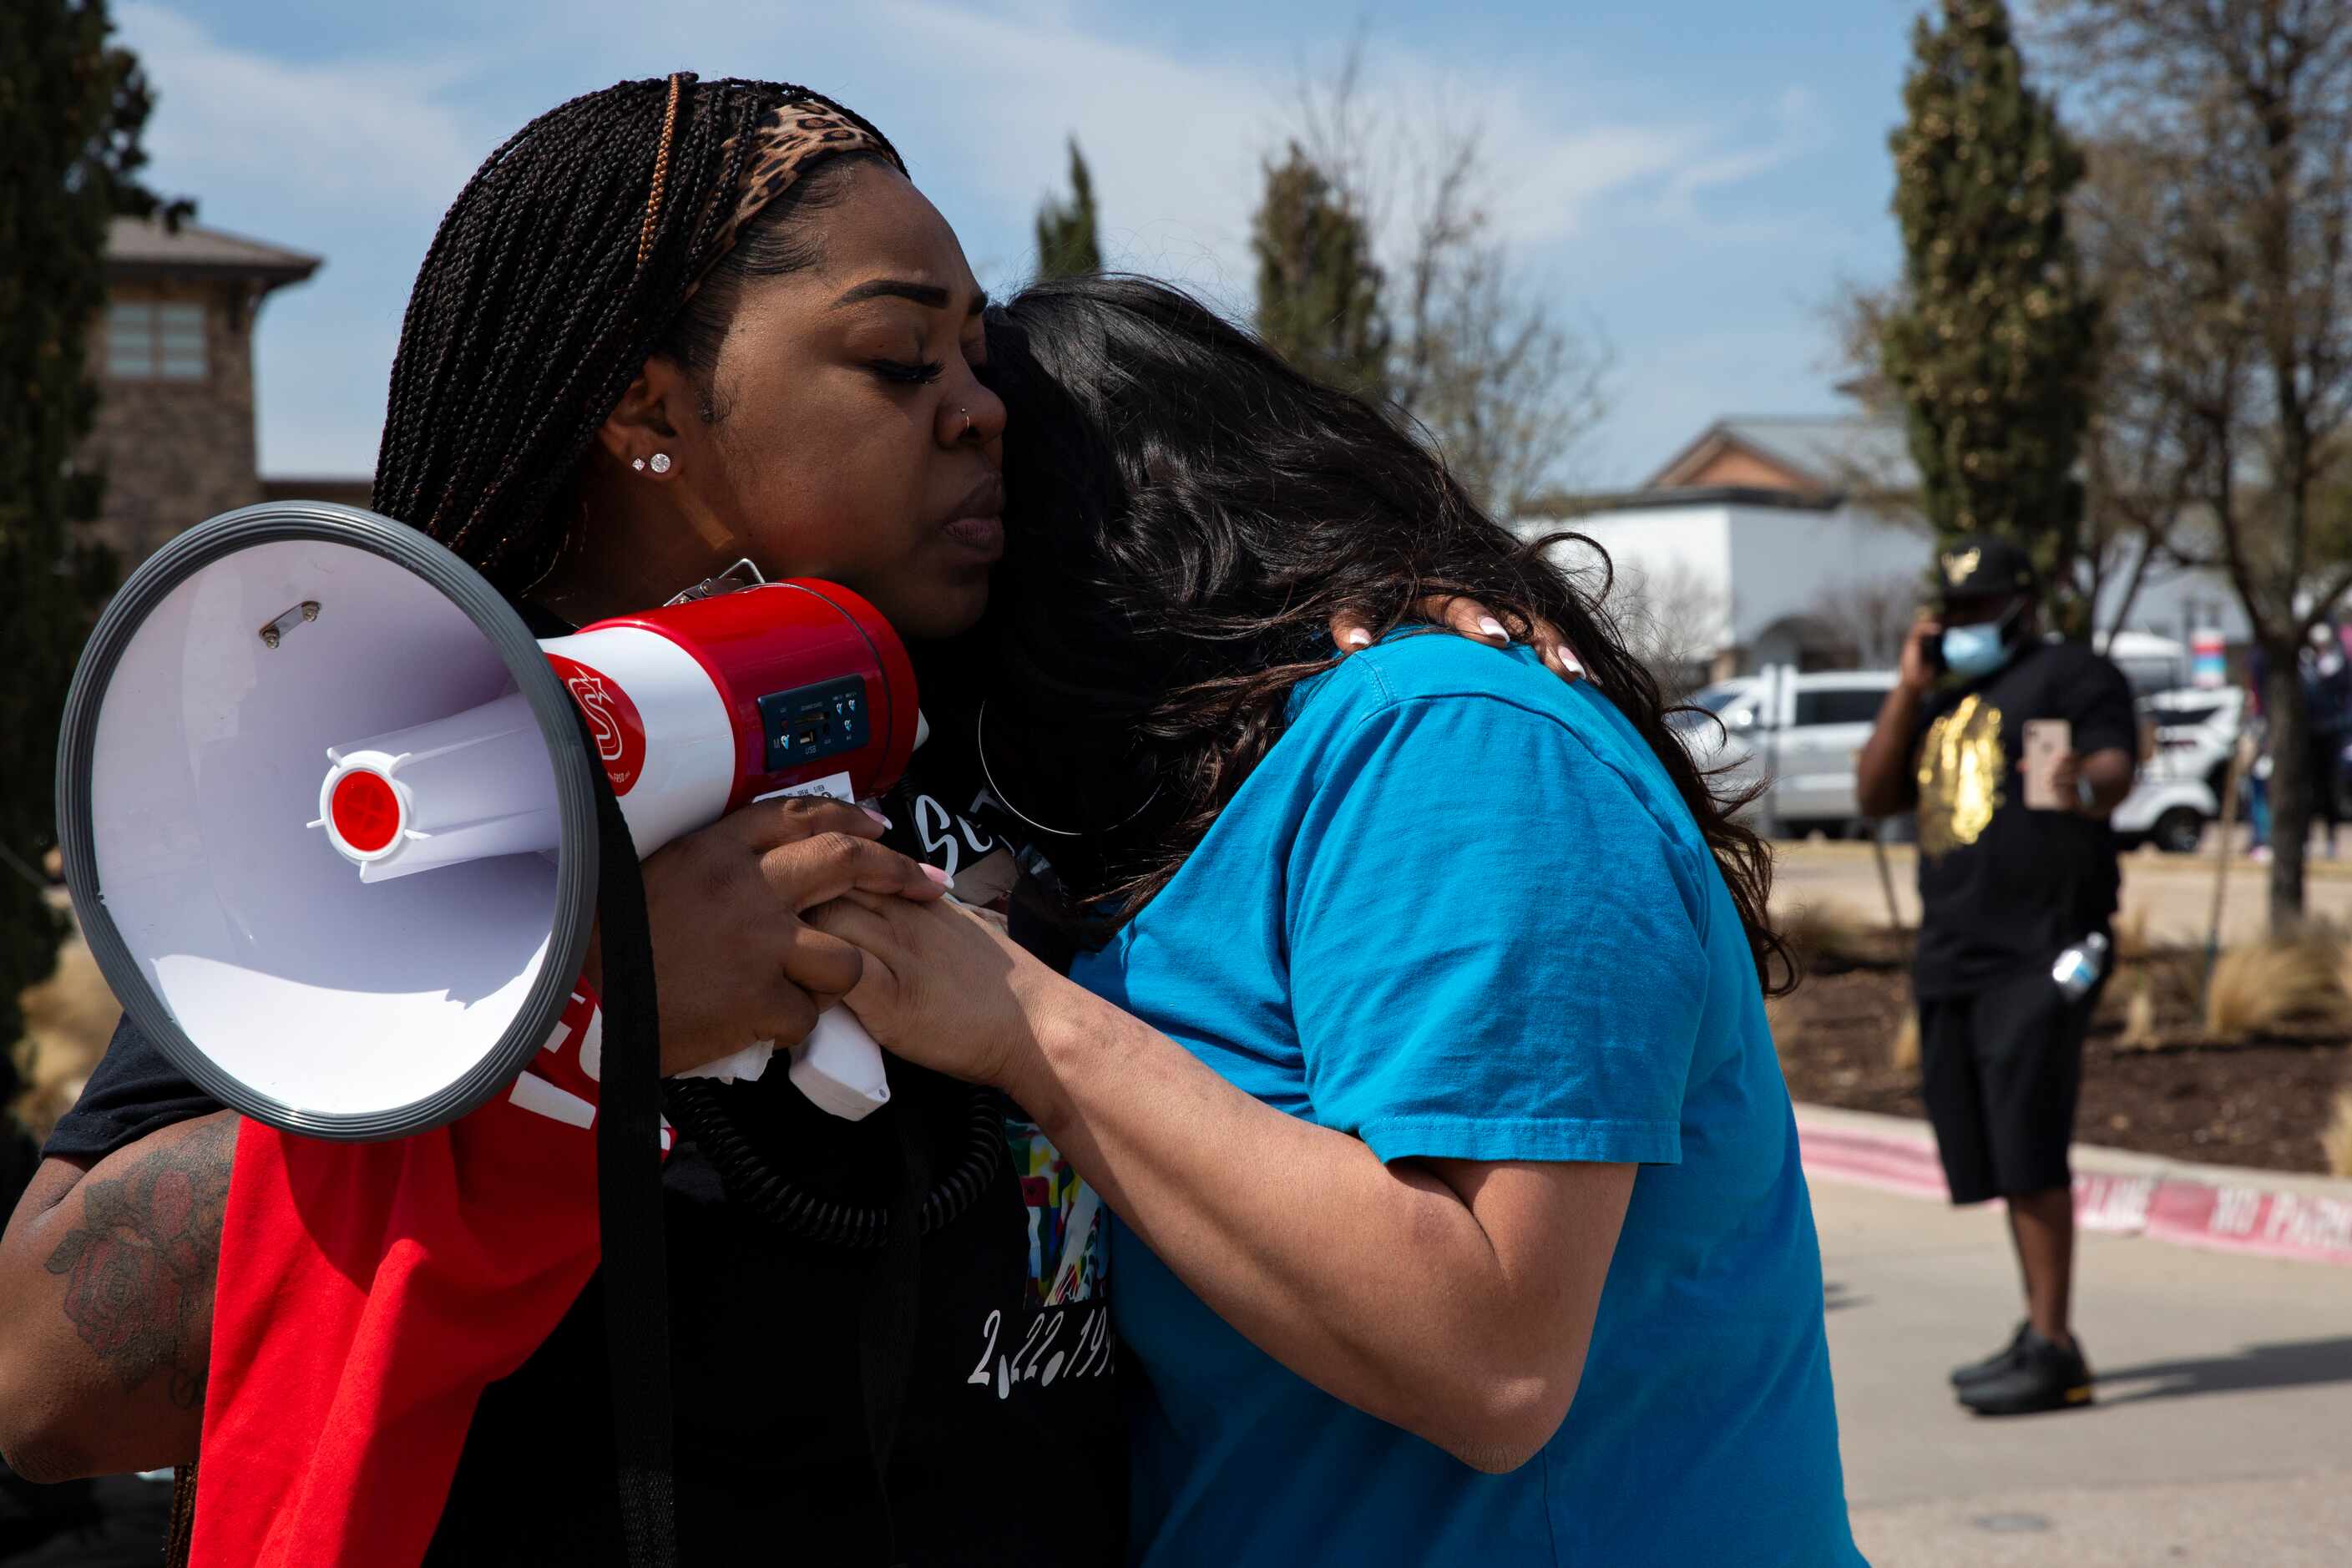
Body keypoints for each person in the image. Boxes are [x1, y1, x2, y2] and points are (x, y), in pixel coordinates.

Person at [0, 77, 1565, 1564]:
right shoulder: (418, 800)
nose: (981, 416)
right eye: (900, 363)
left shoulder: (1010, 713)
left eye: (981, 365)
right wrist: (580, 1028)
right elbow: (42, 1384)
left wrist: (1417, 613)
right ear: (643, 402)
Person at [798, 275, 1864, 1565]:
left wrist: (1025, 1021)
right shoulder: (1137, 817)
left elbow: (1494, 1356)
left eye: (996, 504)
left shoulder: (1446, 740)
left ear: (1105, 525)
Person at [1854, 534, 2137, 1417]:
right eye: (1953, 611)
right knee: (1990, 1151)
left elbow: (2113, 769)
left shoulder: (2073, 676)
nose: (1964, 624)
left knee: (2030, 1141)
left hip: (2044, 948)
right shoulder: (1942, 701)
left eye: (1979, 609)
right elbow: (1874, 795)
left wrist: (2081, 780)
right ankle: (2037, 1332)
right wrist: (1909, 682)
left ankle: (2055, 1346)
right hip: (1956, 955)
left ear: (2021, 605)